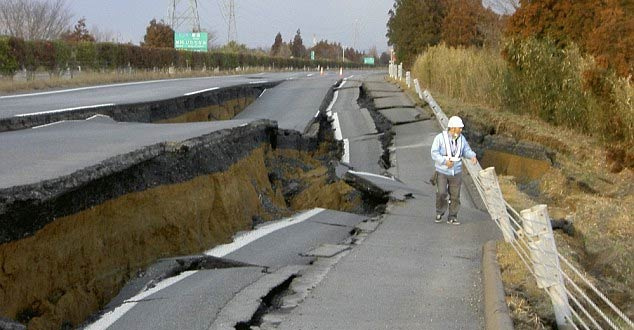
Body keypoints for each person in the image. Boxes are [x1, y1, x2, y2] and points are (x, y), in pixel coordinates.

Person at [430, 116, 477, 225]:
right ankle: (439, 212)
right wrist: (444, 161)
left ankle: (452, 216)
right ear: (453, 128)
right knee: (441, 193)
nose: (461, 130)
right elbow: (434, 152)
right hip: (442, 171)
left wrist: (472, 156)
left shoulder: (461, 139)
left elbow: (466, 150)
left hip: (456, 171)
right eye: (459, 128)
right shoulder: (440, 138)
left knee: (455, 195)